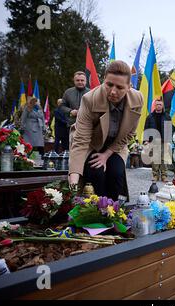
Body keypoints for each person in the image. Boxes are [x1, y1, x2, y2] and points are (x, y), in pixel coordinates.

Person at [68, 60, 143, 201]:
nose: (113, 91)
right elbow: (81, 141)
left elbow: (129, 134)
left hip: (116, 145)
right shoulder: (89, 100)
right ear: (104, 81)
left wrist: (107, 155)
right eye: (109, 85)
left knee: (116, 172)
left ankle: (114, 212)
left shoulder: (137, 99)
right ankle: (95, 212)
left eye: (120, 87)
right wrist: (73, 182)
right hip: (91, 143)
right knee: (95, 172)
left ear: (129, 87)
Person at [144, 98, 172, 182]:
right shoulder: (150, 117)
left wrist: (169, 140)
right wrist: (146, 140)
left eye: (160, 104)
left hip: (164, 140)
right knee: (155, 158)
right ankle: (155, 175)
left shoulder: (167, 117)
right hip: (154, 140)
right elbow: (146, 129)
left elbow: (169, 129)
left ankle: (164, 176)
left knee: (164, 159)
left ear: (162, 106)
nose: (158, 106)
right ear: (154, 106)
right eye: (157, 104)